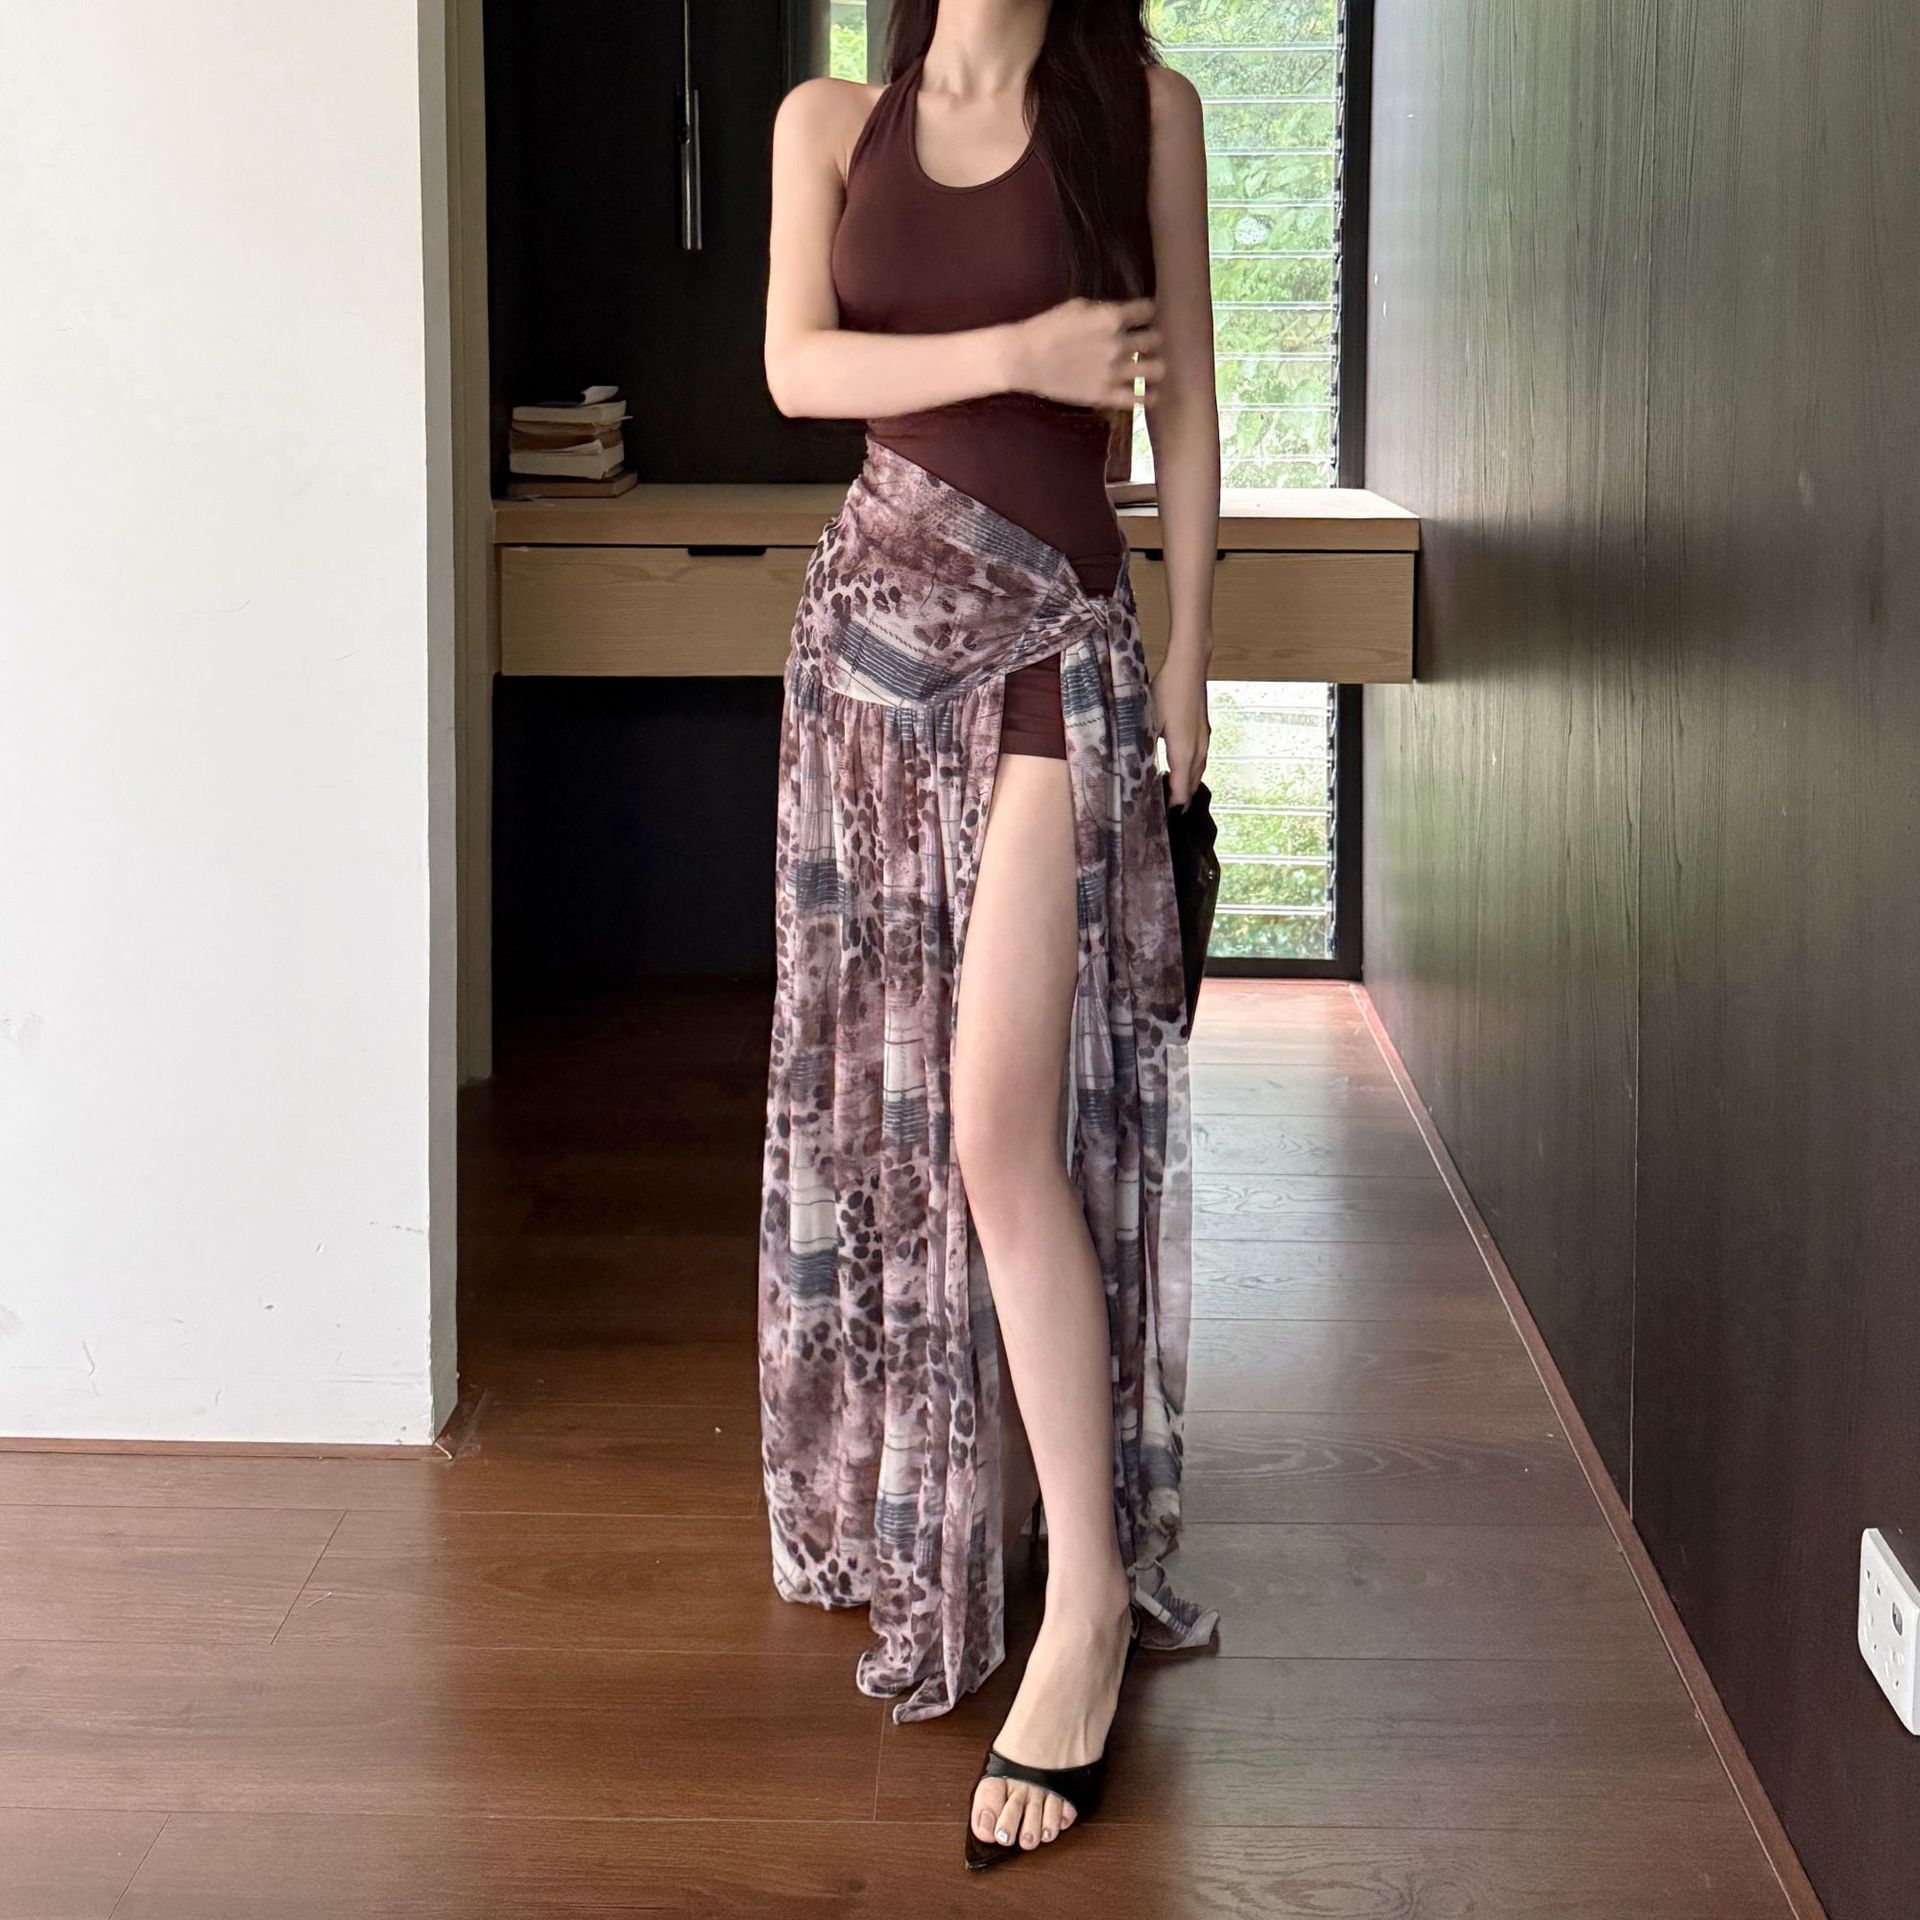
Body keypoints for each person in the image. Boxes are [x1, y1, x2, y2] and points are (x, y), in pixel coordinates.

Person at [757, 0, 1220, 1870]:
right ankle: (970, 1494)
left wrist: (1193, 660)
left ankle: (1086, 1599)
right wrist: (1023, 347)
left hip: (1050, 647)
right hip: (868, 647)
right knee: (884, 1112)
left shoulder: (1148, 112)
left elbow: (1187, 406)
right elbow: (795, 367)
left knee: (994, 1126)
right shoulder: (826, 122)